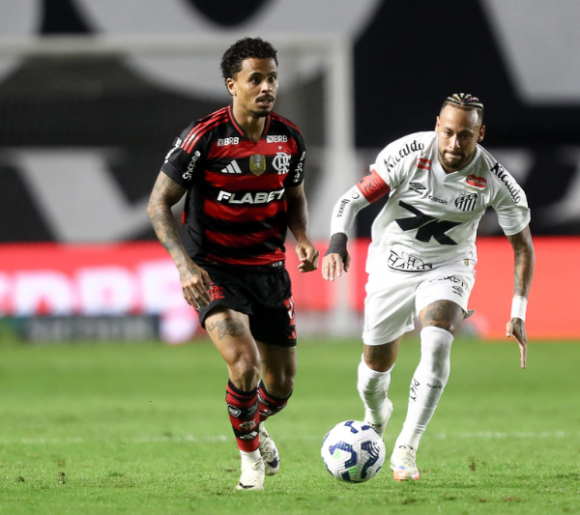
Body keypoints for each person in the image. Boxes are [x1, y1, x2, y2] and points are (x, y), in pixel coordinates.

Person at [321, 93, 534, 481]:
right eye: (448, 132)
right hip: (391, 266)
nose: (454, 143)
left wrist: (517, 312)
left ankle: (407, 445)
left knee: (436, 341)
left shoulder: (496, 180)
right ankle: (376, 415)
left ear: (480, 134)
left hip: (449, 266)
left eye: (465, 135)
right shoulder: (408, 154)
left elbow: (523, 248)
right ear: (437, 125)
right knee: (373, 373)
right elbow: (351, 201)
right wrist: (337, 242)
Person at [147, 37, 319, 491]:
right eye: (255, 79)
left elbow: (294, 197)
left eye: (272, 78)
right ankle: (250, 463)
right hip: (215, 270)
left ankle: (251, 424)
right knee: (244, 364)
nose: (267, 87)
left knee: (280, 386)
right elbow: (158, 203)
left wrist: (302, 237)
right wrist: (185, 266)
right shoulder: (204, 136)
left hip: (269, 271)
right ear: (232, 85)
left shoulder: (289, 138)